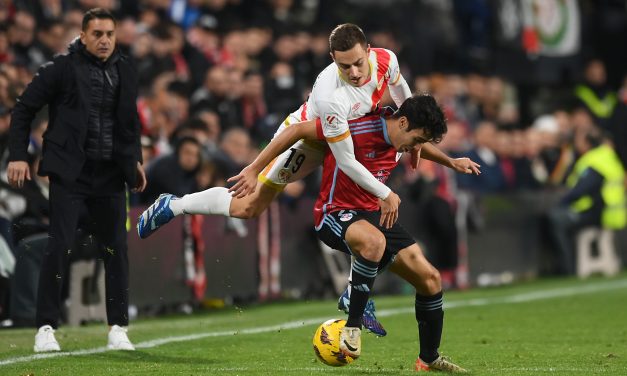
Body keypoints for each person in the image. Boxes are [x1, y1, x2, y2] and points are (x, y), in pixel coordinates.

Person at [138, 23, 439, 335]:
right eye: (343, 65)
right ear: (332, 59)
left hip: (349, 135)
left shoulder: (386, 59)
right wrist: (255, 168)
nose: (353, 72)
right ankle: (175, 205)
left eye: (358, 63)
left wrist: (413, 137)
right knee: (249, 207)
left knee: (363, 207)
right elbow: (345, 160)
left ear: (368, 50)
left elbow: (403, 91)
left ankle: (353, 290)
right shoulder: (330, 97)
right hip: (309, 141)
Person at [231, 94, 477, 372]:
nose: (416, 149)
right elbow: (297, 130)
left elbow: (414, 145)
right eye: (418, 140)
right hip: (334, 213)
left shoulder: (401, 136)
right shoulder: (354, 127)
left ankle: (429, 359)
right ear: (404, 122)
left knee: (430, 279)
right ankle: (352, 326)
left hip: (373, 214)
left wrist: (451, 162)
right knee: (375, 243)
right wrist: (254, 168)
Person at [6, 8, 146, 352]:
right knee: (59, 246)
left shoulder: (126, 69)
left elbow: (129, 121)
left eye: (110, 34)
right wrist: (18, 155)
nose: (104, 40)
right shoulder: (60, 68)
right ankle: (45, 327)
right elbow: (23, 109)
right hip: (71, 175)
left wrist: (135, 161)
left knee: (117, 251)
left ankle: (117, 327)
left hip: (111, 175)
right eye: (97, 34)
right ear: (82, 36)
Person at [547, 125, 625, 275]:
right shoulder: (608, 156)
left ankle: (567, 268)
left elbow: (582, 190)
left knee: (556, 219)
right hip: (614, 213)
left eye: (579, 140)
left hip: (599, 213)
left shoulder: (593, 161)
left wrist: (562, 202)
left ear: (587, 143)